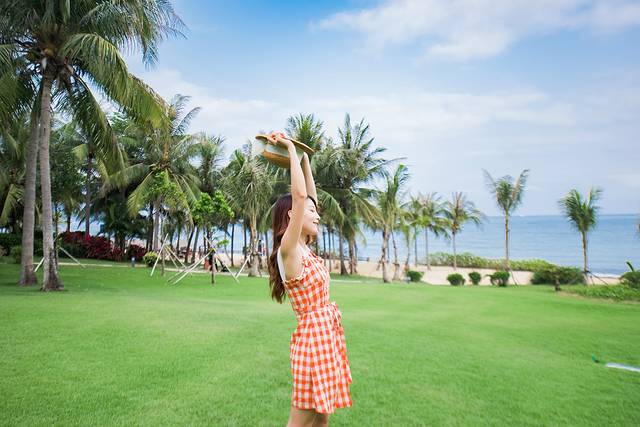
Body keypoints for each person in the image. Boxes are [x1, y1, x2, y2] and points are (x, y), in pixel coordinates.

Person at [266, 132, 353, 427]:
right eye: (311, 213)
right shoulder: (289, 250)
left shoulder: (305, 247)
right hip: (312, 342)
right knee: (299, 422)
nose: (317, 216)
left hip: (326, 337)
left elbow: (309, 197)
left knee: (322, 420)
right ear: (294, 215)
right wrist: (290, 149)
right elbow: (302, 197)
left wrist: (304, 160)